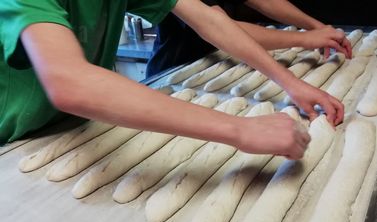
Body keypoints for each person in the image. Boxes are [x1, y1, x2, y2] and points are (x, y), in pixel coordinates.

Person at [0, 0, 346, 159]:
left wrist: (290, 82)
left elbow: (207, 19)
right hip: (13, 144)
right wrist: (241, 129)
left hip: (79, 130)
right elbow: (70, 81)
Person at [147, 0, 352, 76]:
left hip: (225, 58)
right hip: (178, 70)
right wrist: (304, 38)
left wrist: (318, 27)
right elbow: (218, 25)